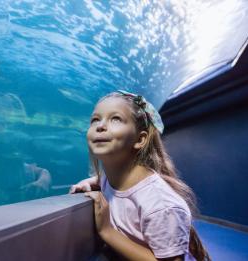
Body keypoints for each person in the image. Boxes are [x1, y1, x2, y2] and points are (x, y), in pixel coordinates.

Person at [69, 90, 210, 261]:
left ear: (140, 139)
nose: (100, 126)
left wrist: (107, 231)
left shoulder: (160, 204)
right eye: (95, 119)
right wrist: (90, 182)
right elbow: (105, 180)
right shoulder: (113, 177)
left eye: (116, 118)